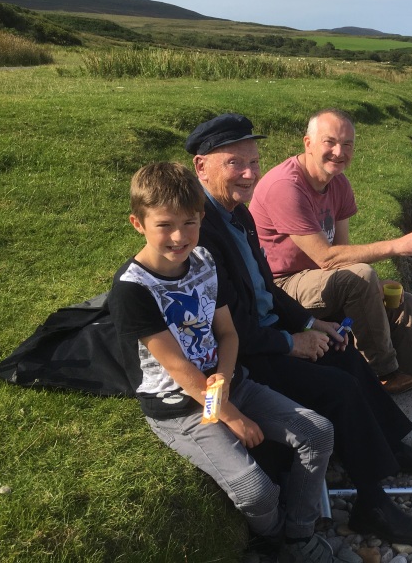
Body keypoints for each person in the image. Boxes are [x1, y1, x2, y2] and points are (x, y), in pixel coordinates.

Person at [187, 113, 412, 546]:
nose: (250, 173)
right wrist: (291, 342)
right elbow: (229, 328)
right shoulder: (198, 231)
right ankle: (371, 503)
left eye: (254, 161)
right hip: (242, 357)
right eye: (236, 163)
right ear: (201, 167)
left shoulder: (237, 214)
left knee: (342, 351)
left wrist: (311, 322)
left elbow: (266, 289)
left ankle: (389, 445)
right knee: (337, 388)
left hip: (268, 332)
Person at [107, 162, 336, 562]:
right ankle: (279, 536)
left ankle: (300, 538)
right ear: (137, 223)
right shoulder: (132, 289)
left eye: (190, 223)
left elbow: (228, 334)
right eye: (165, 225)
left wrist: (226, 383)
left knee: (317, 432)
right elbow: (178, 369)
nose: (180, 237)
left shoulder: (204, 261)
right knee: (255, 489)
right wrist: (228, 414)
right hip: (180, 405)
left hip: (224, 383)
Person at [248, 108, 412, 394]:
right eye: (330, 142)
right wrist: (395, 246)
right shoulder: (285, 187)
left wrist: (373, 288)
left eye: (347, 144)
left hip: (317, 278)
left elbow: (341, 250)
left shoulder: (338, 183)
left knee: (403, 301)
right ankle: (382, 373)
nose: (339, 152)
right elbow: (326, 257)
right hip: (281, 286)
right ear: (308, 143)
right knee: (360, 277)